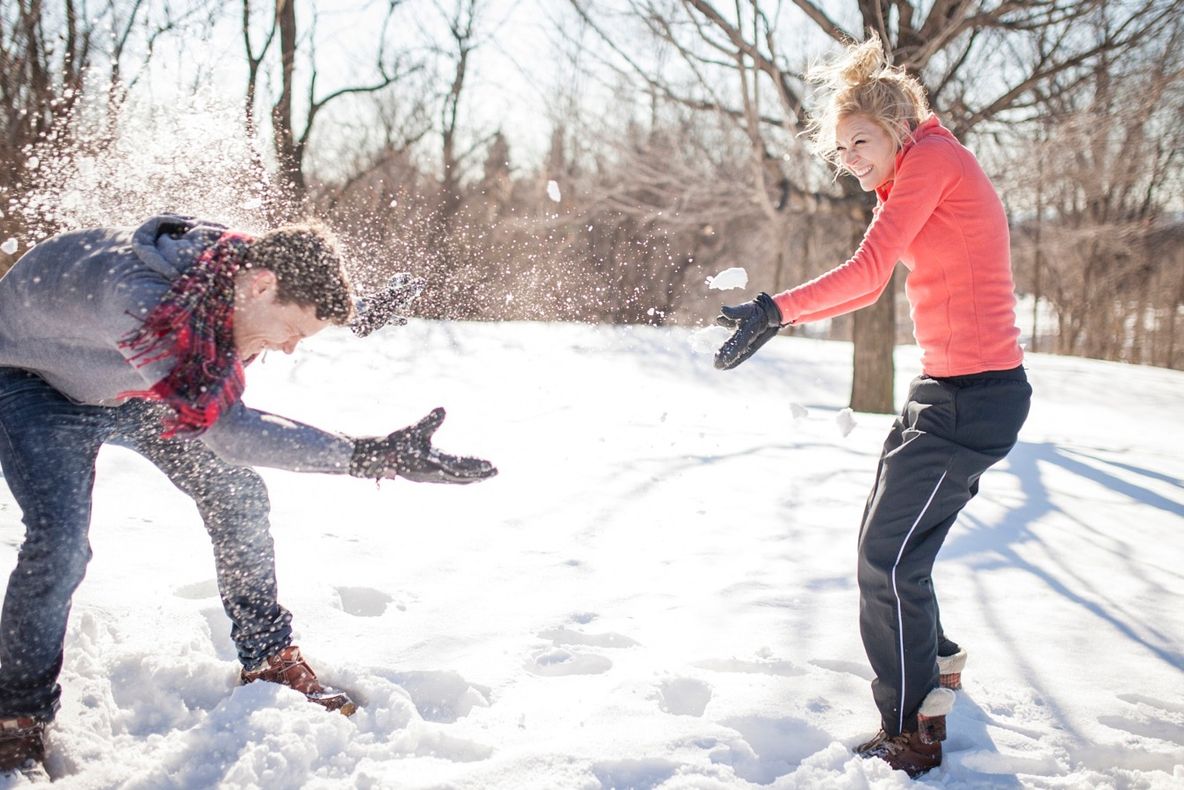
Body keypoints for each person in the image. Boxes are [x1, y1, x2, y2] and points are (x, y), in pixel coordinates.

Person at [0, 214, 497, 772]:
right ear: (259, 285)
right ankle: (16, 715)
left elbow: (298, 273)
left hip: (136, 386)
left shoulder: (242, 266)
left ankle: (267, 656)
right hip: (34, 383)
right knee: (62, 544)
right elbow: (231, 431)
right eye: (294, 334)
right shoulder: (148, 303)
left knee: (237, 494)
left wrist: (358, 314)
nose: (287, 350)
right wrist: (368, 456)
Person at [715, 35, 1031, 778]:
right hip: (946, 390)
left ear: (894, 128)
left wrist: (774, 308)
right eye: (840, 148)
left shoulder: (931, 160)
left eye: (860, 141)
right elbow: (869, 286)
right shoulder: (921, 167)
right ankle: (941, 662)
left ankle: (913, 728)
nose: (849, 158)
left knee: (886, 563)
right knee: (886, 550)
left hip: (975, 400)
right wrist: (777, 316)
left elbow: (866, 268)